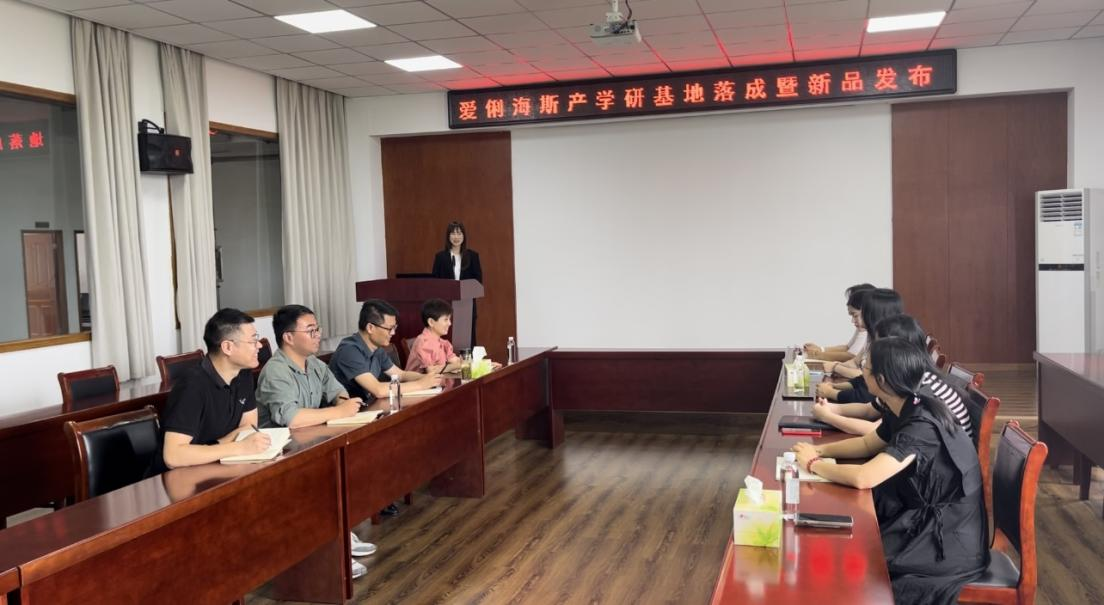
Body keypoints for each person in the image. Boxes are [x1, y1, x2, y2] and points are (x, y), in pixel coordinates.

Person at [792, 338, 988, 605]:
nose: (862, 371)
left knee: (853, 565)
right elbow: (867, 444)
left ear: (881, 380)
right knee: (844, 548)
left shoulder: (922, 423)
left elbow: (864, 477)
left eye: (866, 367)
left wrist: (813, 464)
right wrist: (820, 451)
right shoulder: (904, 404)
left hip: (947, 540)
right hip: (924, 518)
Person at [256, 304, 375, 576]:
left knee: (344, 466)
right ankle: (331, 552)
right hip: (276, 457)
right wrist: (339, 411)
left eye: (317, 328)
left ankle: (339, 536)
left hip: (306, 446)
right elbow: (292, 419)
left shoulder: (315, 364)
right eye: (310, 330)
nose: (318, 335)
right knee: (322, 479)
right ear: (288, 337)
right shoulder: (276, 371)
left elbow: (339, 393)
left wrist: (342, 403)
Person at [812, 314, 977, 440]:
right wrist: (829, 408)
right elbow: (869, 410)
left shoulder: (919, 386)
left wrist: (828, 417)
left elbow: (874, 431)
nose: (873, 350)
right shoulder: (906, 377)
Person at [158, 309, 271, 471]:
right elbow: (173, 456)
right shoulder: (192, 386)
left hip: (216, 465)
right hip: (180, 476)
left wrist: (217, 445)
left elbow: (249, 426)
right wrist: (239, 447)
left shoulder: (243, 373)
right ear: (228, 347)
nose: (259, 345)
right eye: (253, 341)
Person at [329, 299, 443, 401]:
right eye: (389, 328)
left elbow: (401, 375)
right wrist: (421, 384)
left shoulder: (377, 349)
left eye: (394, 328)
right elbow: (378, 390)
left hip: (367, 407)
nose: (393, 333)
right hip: (348, 412)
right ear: (370, 328)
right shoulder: (349, 351)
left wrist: (428, 378)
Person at [818, 288, 904, 401]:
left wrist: (832, 392)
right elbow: (862, 378)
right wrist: (834, 387)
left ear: (876, 315)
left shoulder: (889, 347)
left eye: (865, 313)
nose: (854, 320)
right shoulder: (874, 338)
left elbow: (866, 395)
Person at [431, 221, 482, 345]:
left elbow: (478, 282)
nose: (456, 237)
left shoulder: (472, 256)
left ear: (464, 236)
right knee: (447, 338)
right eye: (453, 233)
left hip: (466, 306)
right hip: (446, 305)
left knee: (468, 341)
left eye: (459, 233)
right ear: (448, 236)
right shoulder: (440, 257)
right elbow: (435, 282)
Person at [804, 283, 874, 362]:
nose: (852, 321)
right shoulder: (863, 328)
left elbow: (851, 356)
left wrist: (817, 354)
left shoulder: (867, 329)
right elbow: (848, 348)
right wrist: (820, 349)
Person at [406, 298, 463, 373]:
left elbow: (453, 359)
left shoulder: (442, 342)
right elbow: (431, 371)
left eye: (449, 319)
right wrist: (456, 366)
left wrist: (465, 361)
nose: (449, 323)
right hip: (420, 380)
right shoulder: (424, 342)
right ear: (431, 322)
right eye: (446, 319)